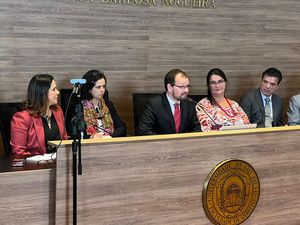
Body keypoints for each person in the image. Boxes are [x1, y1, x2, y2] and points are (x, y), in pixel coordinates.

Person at [10, 74, 68, 156]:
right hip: (36, 166)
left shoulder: (58, 111)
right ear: (42, 92)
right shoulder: (22, 118)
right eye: (54, 89)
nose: (58, 92)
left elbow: (65, 141)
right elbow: (18, 153)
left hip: (59, 163)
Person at [137, 68, 201, 135]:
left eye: (187, 86)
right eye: (182, 87)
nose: (186, 90)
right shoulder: (154, 104)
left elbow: (197, 129)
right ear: (170, 88)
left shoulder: (189, 104)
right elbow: (144, 131)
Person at [79, 69, 127, 138]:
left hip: (110, 143)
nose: (102, 90)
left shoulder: (108, 104)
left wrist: (111, 136)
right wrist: (91, 137)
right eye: (98, 87)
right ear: (89, 89)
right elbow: (74, 134)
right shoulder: (79, 107)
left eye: (104, 86)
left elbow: (122, 127)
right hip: (90, 146)